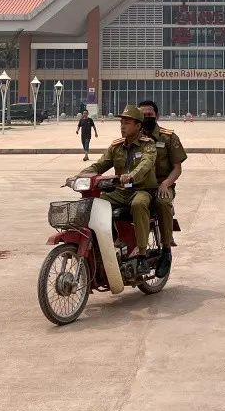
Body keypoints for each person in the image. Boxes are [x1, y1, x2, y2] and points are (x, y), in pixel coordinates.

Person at [76, 105, 157, 260]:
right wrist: (80, 175)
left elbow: (146, 163)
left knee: (138, 204)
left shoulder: (148, 144)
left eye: (127, 123)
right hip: (120, 192)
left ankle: (142, 253)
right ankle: (107, 242)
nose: (122, 126)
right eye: (121, 123)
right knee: (96, 203)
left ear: (138, 126)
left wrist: (131, 175)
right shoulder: (116, 146)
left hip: (142, 190)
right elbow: (99, 165)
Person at [138, 100, 187, 278]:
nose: (146, 118)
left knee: (163, 203)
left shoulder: (168, 137)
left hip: (162, 185)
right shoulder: (134, 137)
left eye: (149, 115)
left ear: (157, 116)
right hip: (140, 186)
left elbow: (177, 168)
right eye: (142, 115)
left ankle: (166, 251)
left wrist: (166, 183)